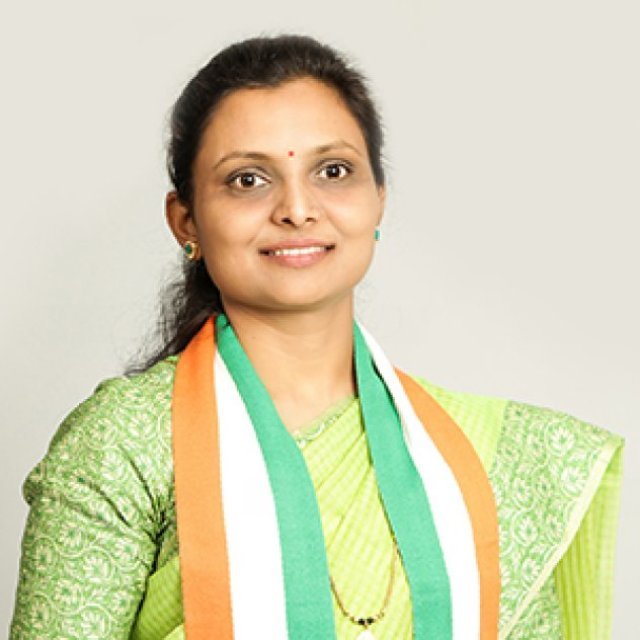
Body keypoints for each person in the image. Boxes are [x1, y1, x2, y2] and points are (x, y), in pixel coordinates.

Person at [10, 34, 624, 640]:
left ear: (378, 200)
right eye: (248, 179)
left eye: (333, 171)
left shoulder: (491, 457)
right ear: (186, 221)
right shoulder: (125, 440)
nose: (298, 209)